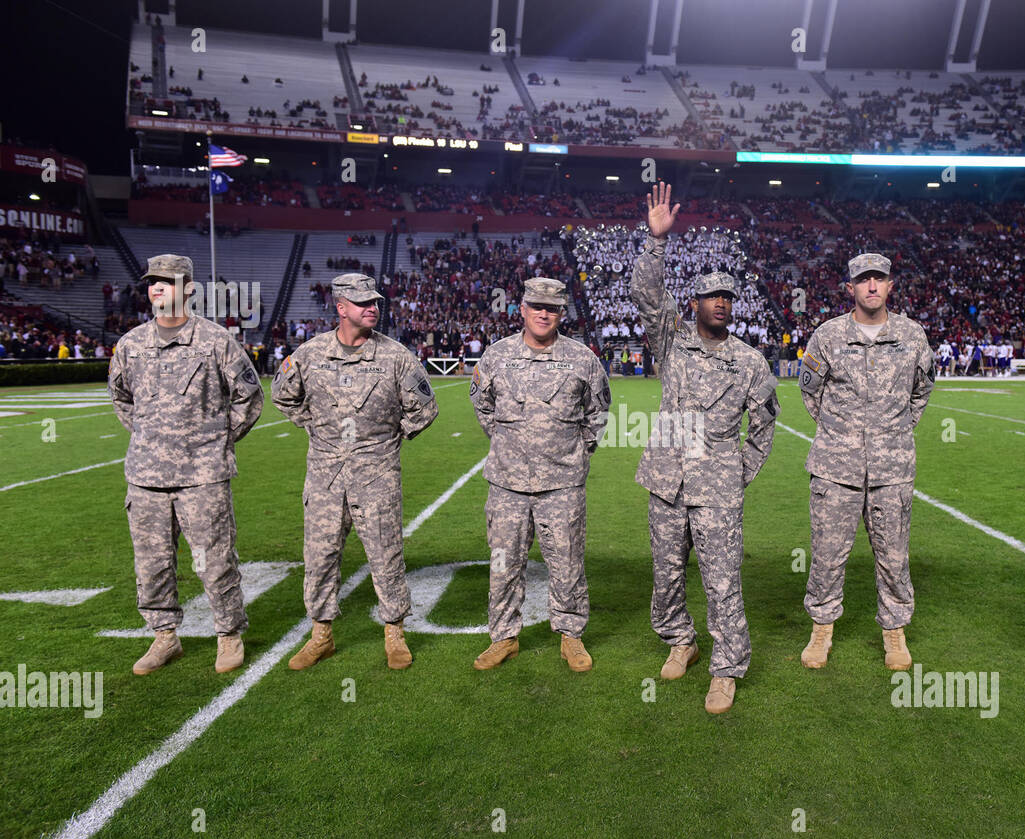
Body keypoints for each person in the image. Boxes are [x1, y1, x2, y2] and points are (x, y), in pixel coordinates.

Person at [631, 182, 779, 715]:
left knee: (722, 581)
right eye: (711, 296)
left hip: (717, 486)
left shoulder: (750, 361)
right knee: (666, 573)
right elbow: (646, 295)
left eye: (728, 297)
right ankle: (680, 642)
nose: (720, 303)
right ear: (693, 303)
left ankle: (726, 668)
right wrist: (655, 241)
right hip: (667, 477)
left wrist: (736, 473)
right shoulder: (671, 339)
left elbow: (763, 428)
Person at [272, 273, 438, 671]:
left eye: (375, 301)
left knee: (386, 555)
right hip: (325, 476)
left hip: (376, 476)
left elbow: (425, 409)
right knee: (320, 557)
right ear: (340, 307)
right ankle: (321, 635)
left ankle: (394, 632)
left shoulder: (396, 356)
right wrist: (311, 425)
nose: (372, 308)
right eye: (362, 302)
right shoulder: (310, 354)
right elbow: (282, 395)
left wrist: (387, 442)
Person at [108, 254, 263, 676]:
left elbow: (250, 398)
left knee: (214, 559)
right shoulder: (131, 344)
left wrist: (218, 440)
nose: (157, 288)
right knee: (152, 563)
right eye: (151, 282)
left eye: (167, 282)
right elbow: (120, 397)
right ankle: (164, 637)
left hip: (203, 476)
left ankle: (229, 634)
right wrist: (146, 438)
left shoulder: (217, 341)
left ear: (188, 289)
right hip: (145, 477)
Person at [798, 252, 934, 672]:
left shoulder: (912, 336)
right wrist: (844, 435)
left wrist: (889, 434)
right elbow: (810, 392)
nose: (872, 286)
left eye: (880, 279)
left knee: (893, 556)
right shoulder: (827, 336)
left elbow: (921, 391)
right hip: (835, 469)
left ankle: (894, 631)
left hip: (891, 471)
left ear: (891, 285)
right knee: (826, 554)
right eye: (863, 280)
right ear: (851, 288)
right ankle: (822, 627)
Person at [469, 277, 610, 672]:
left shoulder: (582, 359)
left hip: (562, 484)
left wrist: (576, 452)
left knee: (567, 564)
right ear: (523, 309)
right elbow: (483, 408)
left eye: (552, 308)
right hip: (506, 485)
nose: (544, 313)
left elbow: (598, 414)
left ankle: (571, 637)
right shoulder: (496, 356)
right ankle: (504, 638)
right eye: (537, 306)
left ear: (562, 313)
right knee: (503, 564)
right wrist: (507, 444)